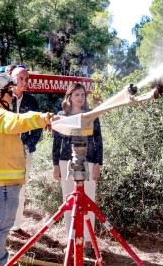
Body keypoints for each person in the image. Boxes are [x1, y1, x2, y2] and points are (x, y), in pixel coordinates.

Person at [0, 73, 55, 266]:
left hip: (0, 182)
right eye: (8, 92)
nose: (12, 96)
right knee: (0, 227)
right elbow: (20, 121)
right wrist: (45, 118)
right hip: (4, 184)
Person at [52, 83, 103, 257]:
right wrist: (55, 165)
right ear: (70, 97)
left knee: (89, 200)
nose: (81, 98)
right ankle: (71, 240)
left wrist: (98, 163)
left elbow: (98, 140)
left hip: (88, 161)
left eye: (83, 95)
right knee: (69, 202)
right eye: (77, 95)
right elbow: (56, 142)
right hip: (66, 161)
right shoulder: (62, 116)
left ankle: (88, 242)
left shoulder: (91, 115)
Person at [10, 66, 42, 233]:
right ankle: (4, 222)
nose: (24, 82)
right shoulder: (4, 98)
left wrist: (29, 145)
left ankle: (16, 224)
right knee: (5, 186)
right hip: (5, 149)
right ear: (12, 79)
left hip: (23, 148)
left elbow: (37, 126)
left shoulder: (31, 101)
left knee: (22, 185)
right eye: (21, 78)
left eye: (26, 79)